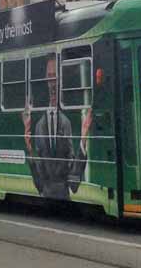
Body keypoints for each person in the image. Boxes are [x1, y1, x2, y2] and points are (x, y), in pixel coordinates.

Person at [23, 55, 93, 200]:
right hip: (45, 195)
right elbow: (38, 181)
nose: (53, 82)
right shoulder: (38, 126)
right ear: (45, 80)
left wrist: (83, 138)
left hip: (64, 195)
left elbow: (73, 179)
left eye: (55, 77)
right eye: (49, 77)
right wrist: (29, 148)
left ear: (61, 79)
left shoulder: (66, 122)